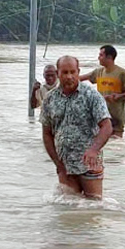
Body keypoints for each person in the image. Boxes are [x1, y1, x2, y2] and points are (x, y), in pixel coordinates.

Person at [40, 56, 113, 199]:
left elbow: (107, 126)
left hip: (89, 164)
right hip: (65, 165)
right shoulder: (50, 98)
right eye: (65, 72)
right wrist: (57, 163)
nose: (69, 77)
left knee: (93, 207)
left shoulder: (91, 95)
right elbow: (47, 133)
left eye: (73, 72)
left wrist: (93, 150)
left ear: (78, 72)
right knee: (69, 209)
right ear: (58, 73)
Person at [80, 45, 125, 138]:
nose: (98, 58)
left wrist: (118, 96)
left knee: (117, 147)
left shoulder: (122, 73)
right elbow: (81, 78)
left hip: (116, 118)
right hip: (101, 116)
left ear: (109, 57)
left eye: (101, 55)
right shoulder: (98, 72)